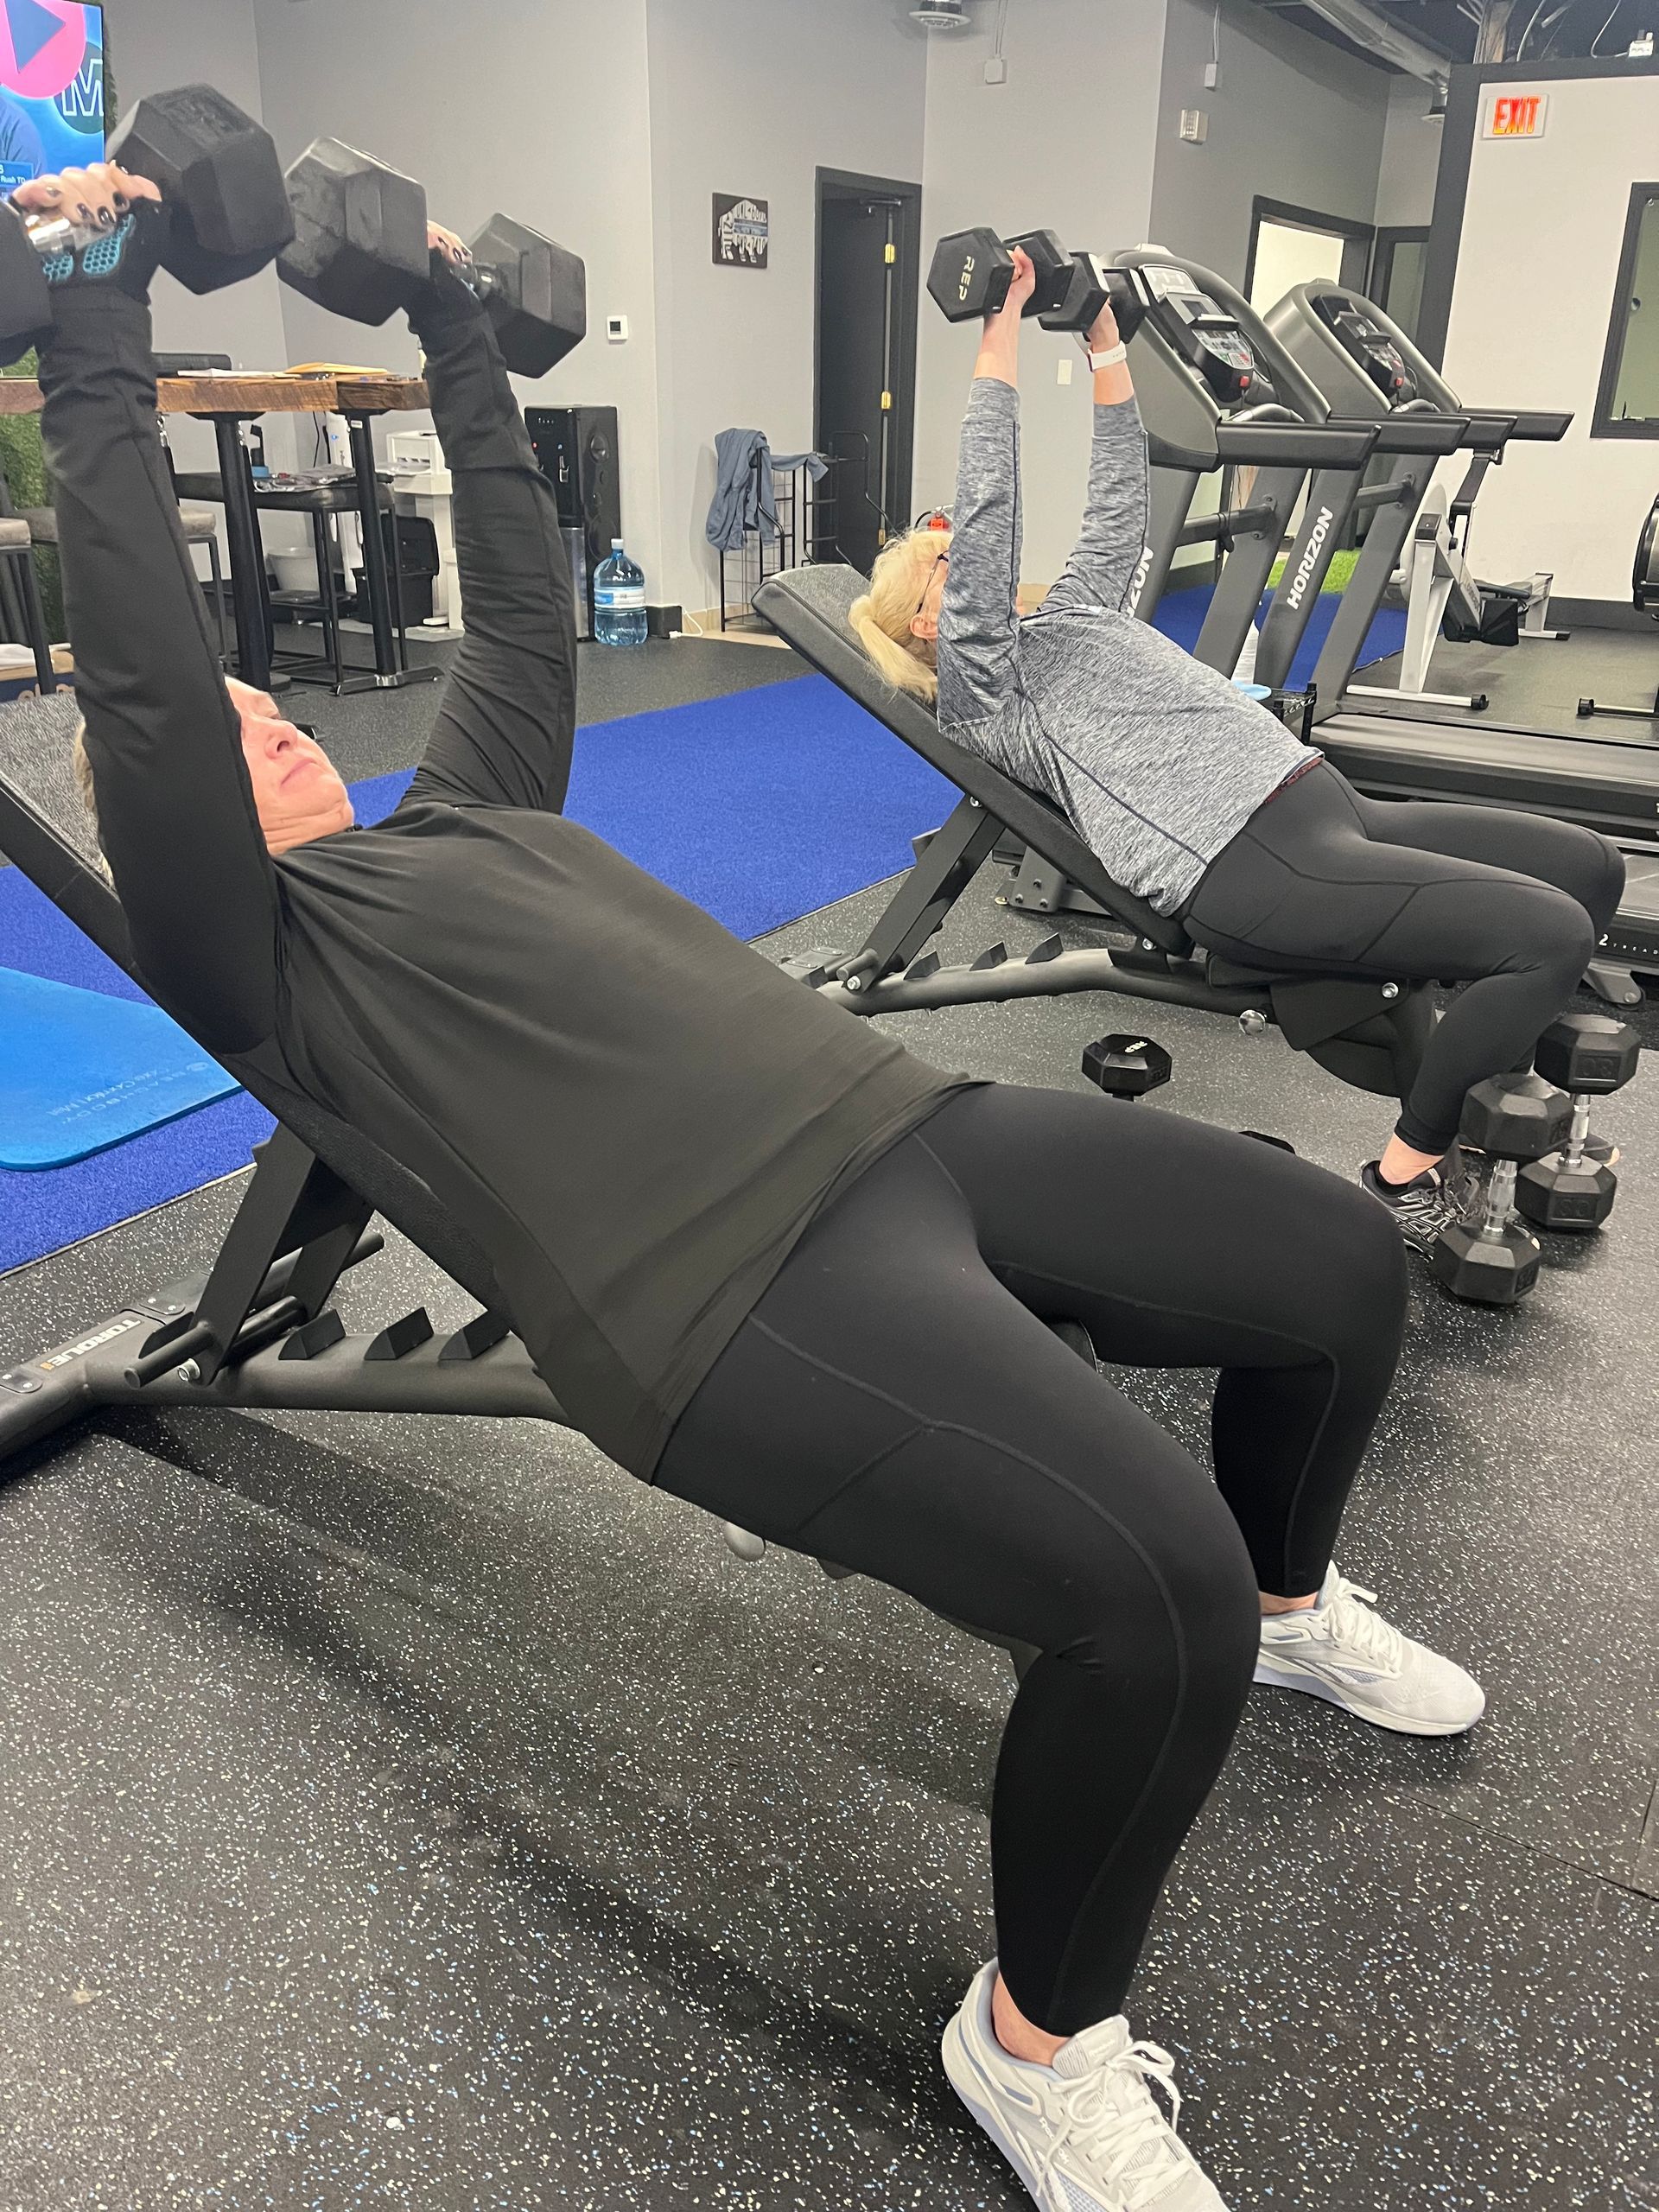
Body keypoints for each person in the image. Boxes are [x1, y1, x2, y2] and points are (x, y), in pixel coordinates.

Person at [18, 158, 1483, 2212]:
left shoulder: (464, 809)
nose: (260, 724)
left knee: (1333, 1257)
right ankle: (1036, 2041)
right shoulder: (247, 942)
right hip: (722, 1289)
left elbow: (518, 592)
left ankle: (1292, 1591)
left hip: (898, 1119)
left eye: (275, 707)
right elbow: (155, 688)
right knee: (1136, 1601)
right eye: (230, 724)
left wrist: (449, 313)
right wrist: (90, 322)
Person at [852, 248, 1626, 1256]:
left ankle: (1484, 1077)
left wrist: (1101, 343)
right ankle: (1409, 1175)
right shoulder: (983, 687)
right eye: (943, 571)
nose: (967, 560)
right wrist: (996, 330)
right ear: (926, 627)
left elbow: (1120, 495)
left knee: (1591, 866)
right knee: (1549, 934)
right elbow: (992, 515)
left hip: (1322, 802)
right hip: (1247, 862)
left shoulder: (1072, 613)